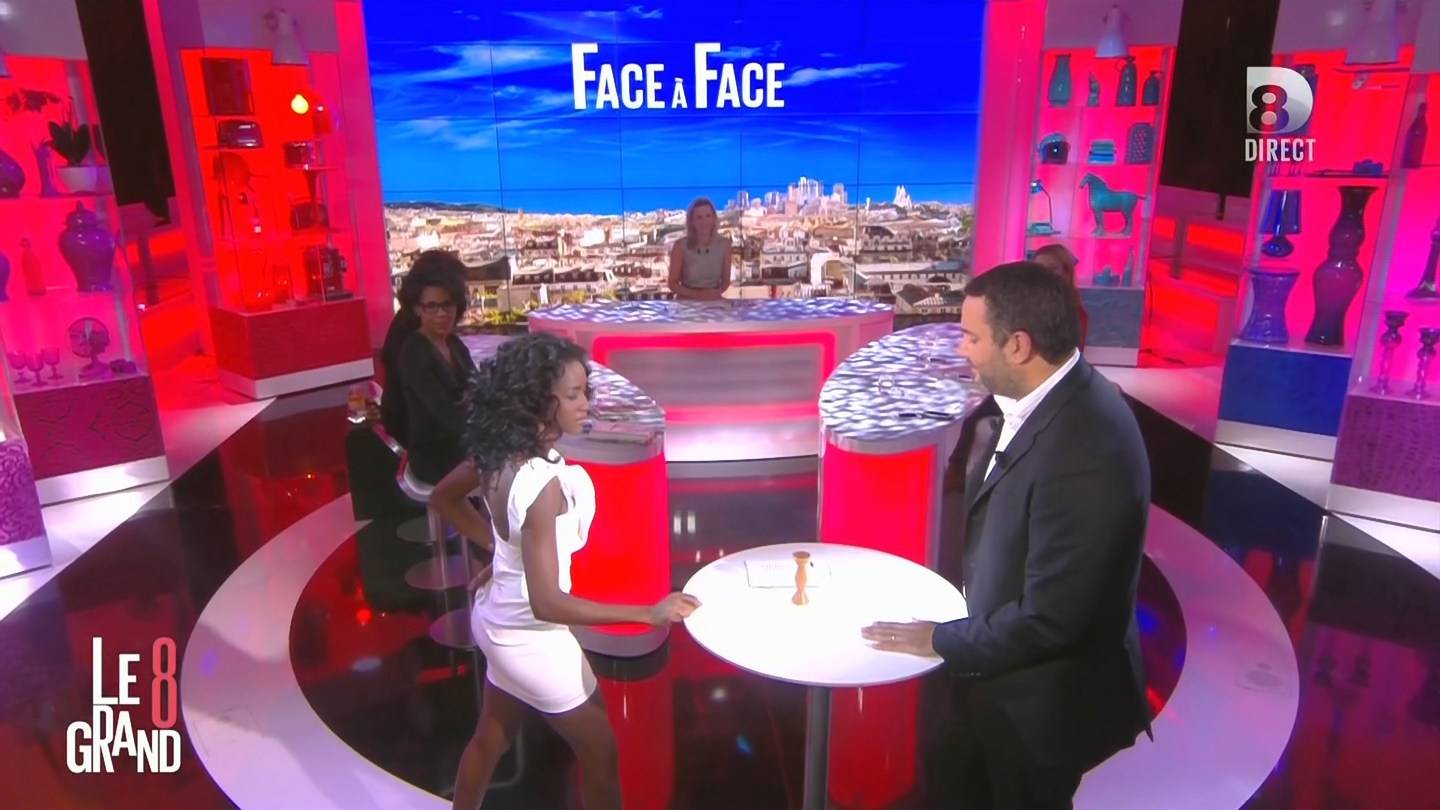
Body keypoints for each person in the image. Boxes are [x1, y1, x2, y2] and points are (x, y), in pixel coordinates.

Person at [863, 261, 1151, 809]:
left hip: (1039, 709)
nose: (963, 350)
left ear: (1018, 345)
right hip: (992, 673)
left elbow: (1053, 618)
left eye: (972, 338)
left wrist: (939, 639)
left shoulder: (1087, 447)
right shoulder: (1035, 400)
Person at [431, 332, 700, 810]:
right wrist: (648, 613)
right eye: (574, 395)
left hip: (496, 619)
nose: (586, 404)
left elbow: (444, 498)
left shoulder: (496, 453)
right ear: (538, 400)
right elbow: (547, 602)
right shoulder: (543, 485)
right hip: (531, 637)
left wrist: (499, 553)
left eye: (585, 391)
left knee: (491, 738)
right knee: (601, 753)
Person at [384, 250, 477, 485]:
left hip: (456, 441)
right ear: (418, 308)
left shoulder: (453, 344)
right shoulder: (413, 348)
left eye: (447, 304)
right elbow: (444, 413)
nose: (441, 313)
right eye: (432, 306)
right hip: (436, 453)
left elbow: (478, 390)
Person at [667, 197, 732, 301]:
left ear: (714, 218)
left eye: (708, 216)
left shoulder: (725, 244)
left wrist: (713, 294)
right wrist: (698, 295)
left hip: (713, 300)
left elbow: (726, 282)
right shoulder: (680, 246)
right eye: (699, 218)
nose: (704, 222)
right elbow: (672, 284)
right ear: (692, 221)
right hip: (687, 302)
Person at [1032, 243, 1088, 350]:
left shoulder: (1074, 312)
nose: (1045, 273)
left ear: (1066, 273)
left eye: (1052, 268)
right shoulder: (1023, 303)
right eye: (1039, 268)